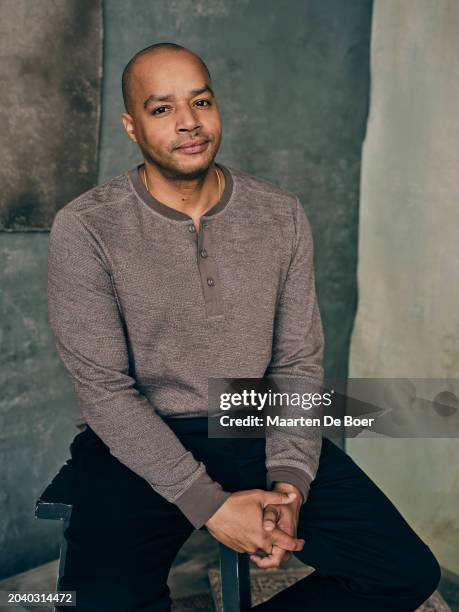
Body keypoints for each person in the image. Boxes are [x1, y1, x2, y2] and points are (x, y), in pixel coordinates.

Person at [47, 42, 441, 611]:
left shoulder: (279, 214)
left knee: (401, 571)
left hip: (252, 418)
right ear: (132, 127)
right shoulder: (86, 227)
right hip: (137, 439)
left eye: (200, 101)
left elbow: (296, 366)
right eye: (162, 109)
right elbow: (106, 391)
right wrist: (212, 505)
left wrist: (290, 483)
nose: (188, 123)